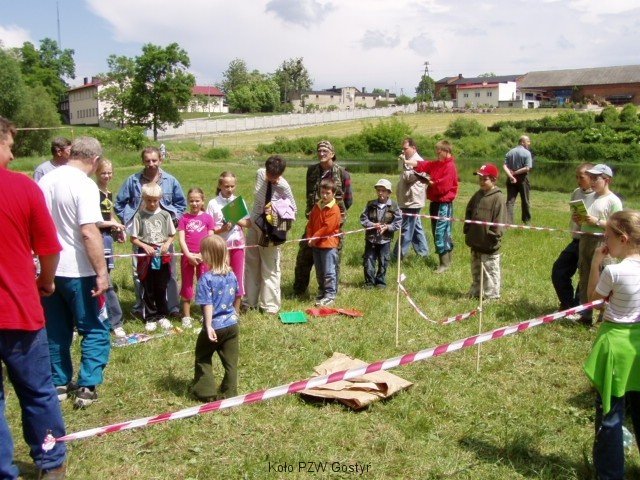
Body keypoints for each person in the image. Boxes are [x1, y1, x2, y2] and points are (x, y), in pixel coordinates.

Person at [0, 117, 67, 478]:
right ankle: (52, 464)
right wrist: (46, 280)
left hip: (17, 307)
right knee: (39, 391)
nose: (12, 155)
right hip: (18, 309)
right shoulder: (23, 188)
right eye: (9, 146)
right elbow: (49, 248)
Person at [38, 136, 110, 410]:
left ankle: (58, 382)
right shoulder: (85, 185)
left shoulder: (46, 180)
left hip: (49, 268)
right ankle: (87, 385)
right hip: (79, 270)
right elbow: (88, 231)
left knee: (56, 329)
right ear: (94, 160)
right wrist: (101, 273)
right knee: (94, 327)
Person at [583, 210, 640, 479]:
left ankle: (610, 474)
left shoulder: (614, 271)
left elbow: (593, 300)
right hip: (637, 346)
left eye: (608, 237)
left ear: (623, 239)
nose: (605, 241)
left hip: (616, 347)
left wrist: (597, 262)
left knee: (610, 412)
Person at [114, 146, 186, 318]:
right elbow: (119, 204)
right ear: (143, 161)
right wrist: (129, 222)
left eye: (154, 160)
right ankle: (142, 306)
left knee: (169, 273)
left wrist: (173, 220)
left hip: (163, 235)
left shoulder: (170, 180)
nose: (151, 164)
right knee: (140, 272)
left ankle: (172, 307)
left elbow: (181, 204)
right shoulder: (133, 181)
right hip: (142, 235)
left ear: (160, 159)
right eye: (147, 161)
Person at [293, 140, 352, 296]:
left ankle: (330, 293)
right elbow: (309, 194)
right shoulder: (311, 171)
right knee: (303, 257)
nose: (321, 153)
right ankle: (299, 290)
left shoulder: (343, 173)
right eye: (319, 151)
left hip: (333, 224)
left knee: (332, 260)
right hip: (314, 220)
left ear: (332, 154)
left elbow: (348, 200)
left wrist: (335, 215)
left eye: (325, 151)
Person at [243, 156, 296, 314]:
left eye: (275, 176)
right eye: (269, 174)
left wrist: (275, 209)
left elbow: (293, 211)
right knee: (251, 263)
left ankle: (270, 306)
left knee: (269, 267)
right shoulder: (260, 174)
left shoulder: (284, 186)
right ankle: (249, 302)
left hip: (270, 230)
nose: (271, 178)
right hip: (254, 224)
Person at [193, 234, 240, 402]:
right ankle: (230, 392)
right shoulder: (232, 275)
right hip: (232, 325)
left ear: (208, 256)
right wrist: (235, 313)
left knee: (203, 355)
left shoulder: (206, 279)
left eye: (202, 252)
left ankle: (205, 392)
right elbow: (238, 294)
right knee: (231, 361)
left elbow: (207, 304)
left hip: (215, 326)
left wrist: (208, 326)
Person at [575, 164, 623, 325]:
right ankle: (585, 314)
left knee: (604, 277)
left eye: (596, 179)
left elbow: (617, 226)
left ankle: (604, 315)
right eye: (591, 178)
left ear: (607, 180)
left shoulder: (613, 200)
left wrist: (597, 221)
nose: (592, 182)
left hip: (603, 243)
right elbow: (585, 220)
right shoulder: (590, 197)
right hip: (585, 240)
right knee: (585, 275)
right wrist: (579, 219)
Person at [129, 182, 177, 332]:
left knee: (161, 285)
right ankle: (150, 316)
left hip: (162, 256)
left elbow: (172, 234)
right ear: (143, 198)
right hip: (146, 257)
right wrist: (145, 246)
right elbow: (133, 238)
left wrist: (166, 244)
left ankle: (162, 315)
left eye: (155, 200)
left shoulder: (165, 215)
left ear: (160, 199)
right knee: (147, 286)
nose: (152, 203)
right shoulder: (139, 216)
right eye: (148, 200)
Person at [406, 140, 459, 273]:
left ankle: (444, 264)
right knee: (437, 231)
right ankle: (446, 262)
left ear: (446, 151)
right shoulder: (437, 164)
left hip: (444, 204)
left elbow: (444, 186)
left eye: (439, 151)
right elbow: (423, 165)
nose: (437, 153)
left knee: (441, 232)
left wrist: (429, 182)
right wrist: (407, 162)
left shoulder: (450, 166)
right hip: (435, 202)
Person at [551, 163, 595, 312]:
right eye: (576, 177)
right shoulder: (576, 192)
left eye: (581, 177)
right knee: (559, 270)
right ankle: (567, 304)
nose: (578, 180)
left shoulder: (598, 196)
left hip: (590, 241)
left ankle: (578, 308)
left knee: (584, 276)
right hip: (576, 240)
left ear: (591, 177)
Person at [206, 172, 250, 313]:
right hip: (220, 246)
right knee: (219, 276)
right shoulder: (213, 203)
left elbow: (248, 223)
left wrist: (235, 218)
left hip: (237, 244)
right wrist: (222, 229)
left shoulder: (238, 201)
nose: (229, 189)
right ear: (220, 186)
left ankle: (235, 311)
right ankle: (218, 308)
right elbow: (209, 229)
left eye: (232, 186)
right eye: (226, 186)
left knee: (237, 276)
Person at [463, 163, 505, 300]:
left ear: (494, 180)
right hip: (476, 241)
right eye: (480, 179)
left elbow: (499, 221)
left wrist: (493, 236)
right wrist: (468, 230)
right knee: (476, 270)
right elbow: (469, 211)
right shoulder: (477, 195)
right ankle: (476, 291)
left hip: (488, 244)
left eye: (484, 179)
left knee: (489, 270)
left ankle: (491, 295)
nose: (481, 181)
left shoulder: (498, 198)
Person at [95, 158, 127, 338]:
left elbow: (109, 215)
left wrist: (118, 228)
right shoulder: (93, 192)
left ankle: (106, 318)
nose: (106, 176)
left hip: (107, 239)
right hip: (97, 239)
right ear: (96, 172)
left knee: (106, 277)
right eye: (103, 173)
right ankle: (115, 321)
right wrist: (112, 224)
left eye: (109, 173)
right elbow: (95, 220)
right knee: (104, 280)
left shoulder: (107, 192)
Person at [178, 187, 215, 328]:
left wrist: (202, 254)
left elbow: (210, 238)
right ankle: (186, 316)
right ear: (188, 201)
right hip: (187, 257)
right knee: (187, 284)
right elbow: (181, 239)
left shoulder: (208, 218)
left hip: (204, 256)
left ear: (202, 201)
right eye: (191, 201)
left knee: (204, 284)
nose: (194, 204)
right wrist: (188, 255)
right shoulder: (184, 218)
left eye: (197, 201)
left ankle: (205, 314)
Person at [359, 179, 402, 289]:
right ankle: (369, 282)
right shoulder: (370, 205)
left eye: (383, 191)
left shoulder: (394, 206)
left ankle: (380, 282)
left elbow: (398, 222)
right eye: (378, 190)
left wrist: (388, 227)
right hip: (371, 239)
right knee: (369, 260)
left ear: (389, 193)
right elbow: (363, 219)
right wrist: (372, 225)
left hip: (385, 240)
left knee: (384, 261)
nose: (380, 193)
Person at [392, 137, 429, 261]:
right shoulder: (407, 160)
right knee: (416, 228)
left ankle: (397, 256)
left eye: (405, 149)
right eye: (402, 149)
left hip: (412, 201)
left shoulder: (419, 162)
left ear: (414, 148)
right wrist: (402, 162)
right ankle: (423, 254)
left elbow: (408, 178)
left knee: (406, 228)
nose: (403, 151)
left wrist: (404, 163)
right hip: (406, 200)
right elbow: (401, 172)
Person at [306, 178, 341, 306]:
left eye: (327, 193)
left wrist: (314, 238)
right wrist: (309, 236)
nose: (324, 196)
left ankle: (330, 295)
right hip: (316, 244)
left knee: (329, 271)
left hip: (328, 245)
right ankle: (322, 292)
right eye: (322, 192)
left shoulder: (334, 209)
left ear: (333, 193)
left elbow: (327, 228)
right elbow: (310, 223)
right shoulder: (317, 206)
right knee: (319, 271)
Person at [503, 135, 533, 225]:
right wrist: (515, 173)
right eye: (528, 141)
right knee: (525, 200)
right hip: (523, 179)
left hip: (511, 179)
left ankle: (508, 222)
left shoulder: (510, 152)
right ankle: (526, 221)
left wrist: (511, 175)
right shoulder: (527, 153)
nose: (529, 143)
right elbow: (527, 168)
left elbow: (504, 166)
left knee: (510, 201)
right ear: (522, 142)